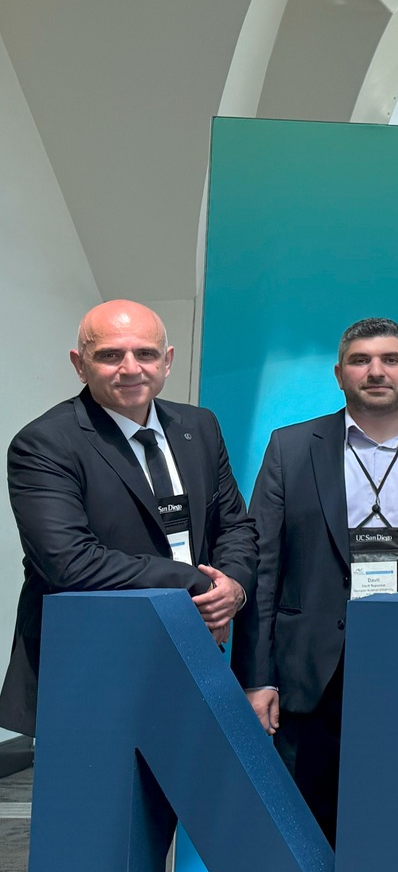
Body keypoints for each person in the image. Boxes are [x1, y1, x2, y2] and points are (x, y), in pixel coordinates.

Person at [236, 318, 398, 842]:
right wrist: (256, 677)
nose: (375, 371)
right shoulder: (291, 447)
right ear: (339, 374)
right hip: (311, 678)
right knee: (304, 840)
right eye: (360, 361)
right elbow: (262, 566)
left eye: (390, 360)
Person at [3, 301, 258, 736]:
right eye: (110, 355)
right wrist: (198, 587)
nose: (131, 368)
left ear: (167, 361)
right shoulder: (44, 443)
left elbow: (234, 525)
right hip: (91, 669)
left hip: (191, 654)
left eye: (145, 353)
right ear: (79, 365)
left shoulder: (199, 426)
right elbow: (70, 562)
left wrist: (231, 586)